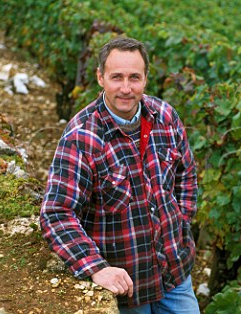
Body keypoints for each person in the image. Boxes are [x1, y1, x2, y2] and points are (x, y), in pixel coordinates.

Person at [40, 37, 199, 313]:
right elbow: (57, 213)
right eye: (117, 77)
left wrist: (180, 222)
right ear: (101, 77)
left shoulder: (166, 117)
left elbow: (186, 176)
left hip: (175, 273)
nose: (126, 88)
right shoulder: (82, 136)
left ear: (146, 79)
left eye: (134, 77)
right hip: (126, 286)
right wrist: (95, 267)